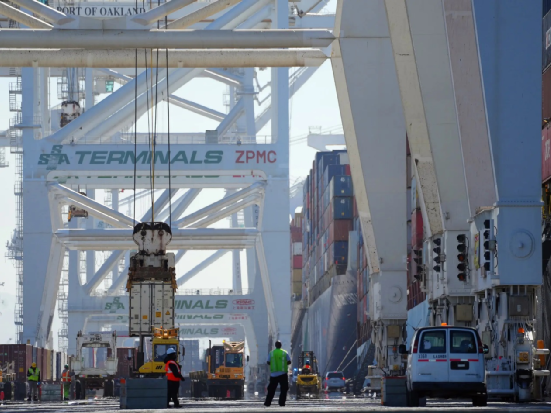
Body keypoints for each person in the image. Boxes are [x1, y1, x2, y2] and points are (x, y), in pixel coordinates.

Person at [264, 340, 291, 407]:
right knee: (284, 389)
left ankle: (267, 403)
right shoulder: (284, 352)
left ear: (275, 346)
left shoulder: (271, 353)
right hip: (283, 373)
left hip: (274, 374)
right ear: (281, 345)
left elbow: (268, 362)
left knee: (271, 389)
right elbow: (289, 361)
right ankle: (281, 403)